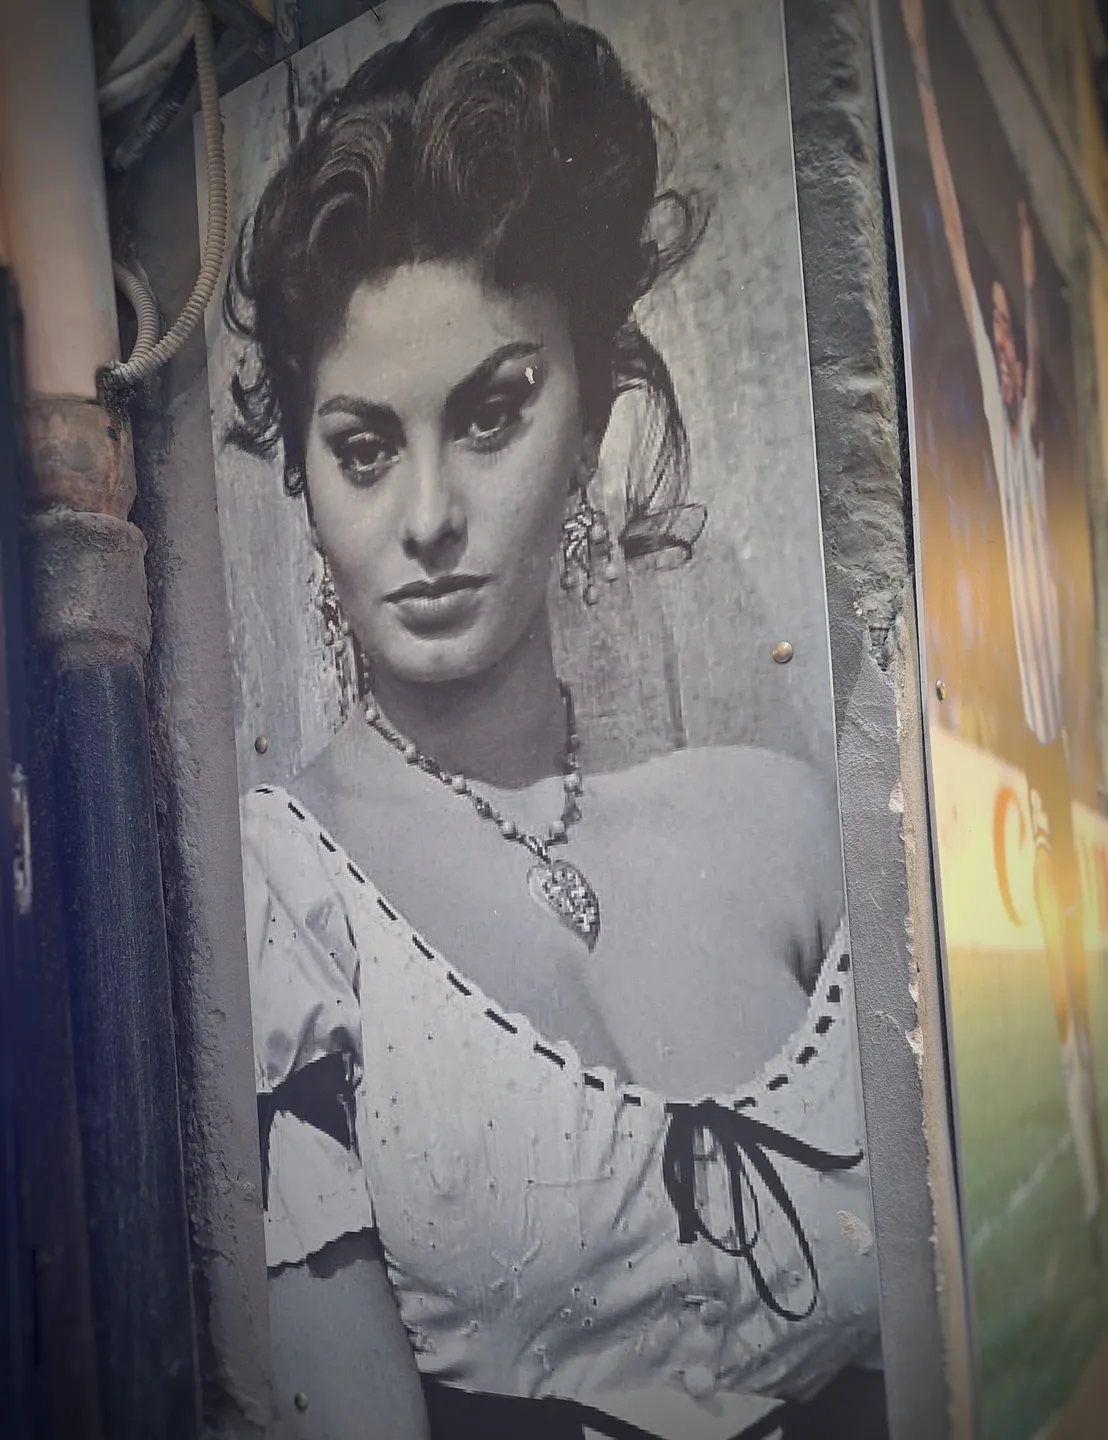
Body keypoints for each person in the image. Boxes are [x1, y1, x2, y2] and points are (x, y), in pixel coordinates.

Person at [224, 4, 882, 1436]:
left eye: (490, 415)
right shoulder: (285, 890)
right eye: (363, 448)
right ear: (307, 489)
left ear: (586, 423)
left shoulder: (780, 829)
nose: (429, 518)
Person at [901, 0, 1106, 1261]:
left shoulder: (1036, 441)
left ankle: (1086, 1130)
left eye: (1014, 340)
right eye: (998, 340)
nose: (1008, 359)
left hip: (1054, 740)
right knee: (1039, 966)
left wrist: (1030, 265)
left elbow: (1025, 296)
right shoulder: (994, 409)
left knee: (1070, 967)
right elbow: (951, 219)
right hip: (1015, 742)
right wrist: (925, 74)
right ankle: (1073, 1123)